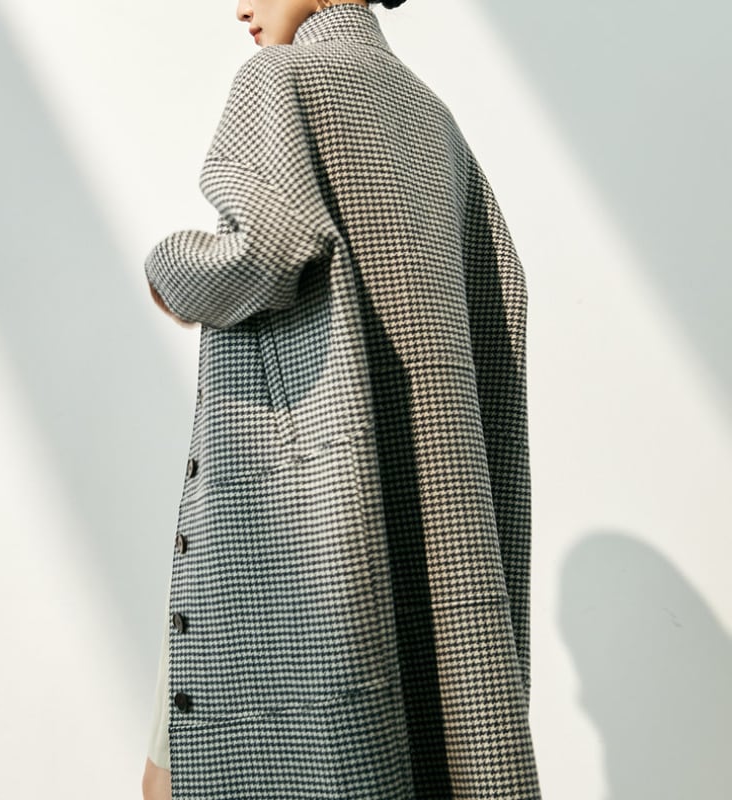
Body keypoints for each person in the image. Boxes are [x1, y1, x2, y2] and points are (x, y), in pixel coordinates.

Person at [142, 1, 542, 799]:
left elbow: (267, 247)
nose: (240, 7)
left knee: (182, 771)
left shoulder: (281, 77)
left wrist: (169, 270)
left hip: (293, 537)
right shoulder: (435, 120)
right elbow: (501, 288)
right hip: (428, 530)